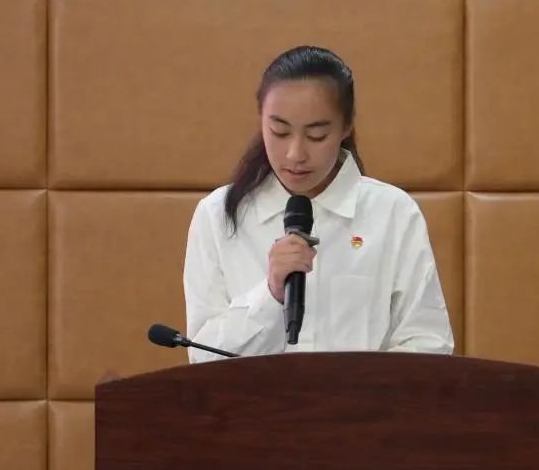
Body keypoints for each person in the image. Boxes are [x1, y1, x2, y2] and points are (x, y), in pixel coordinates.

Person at [183, 45, 453, 363]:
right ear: (261, 120)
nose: (295, 154)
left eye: (316, 136)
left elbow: (428, 343)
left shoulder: (393, 213)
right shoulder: (217, 215)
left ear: (346, 126)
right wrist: (270, 295)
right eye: (279, 132)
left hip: (363, 397)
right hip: (254, 398)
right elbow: (202, 358)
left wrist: (355, 389)